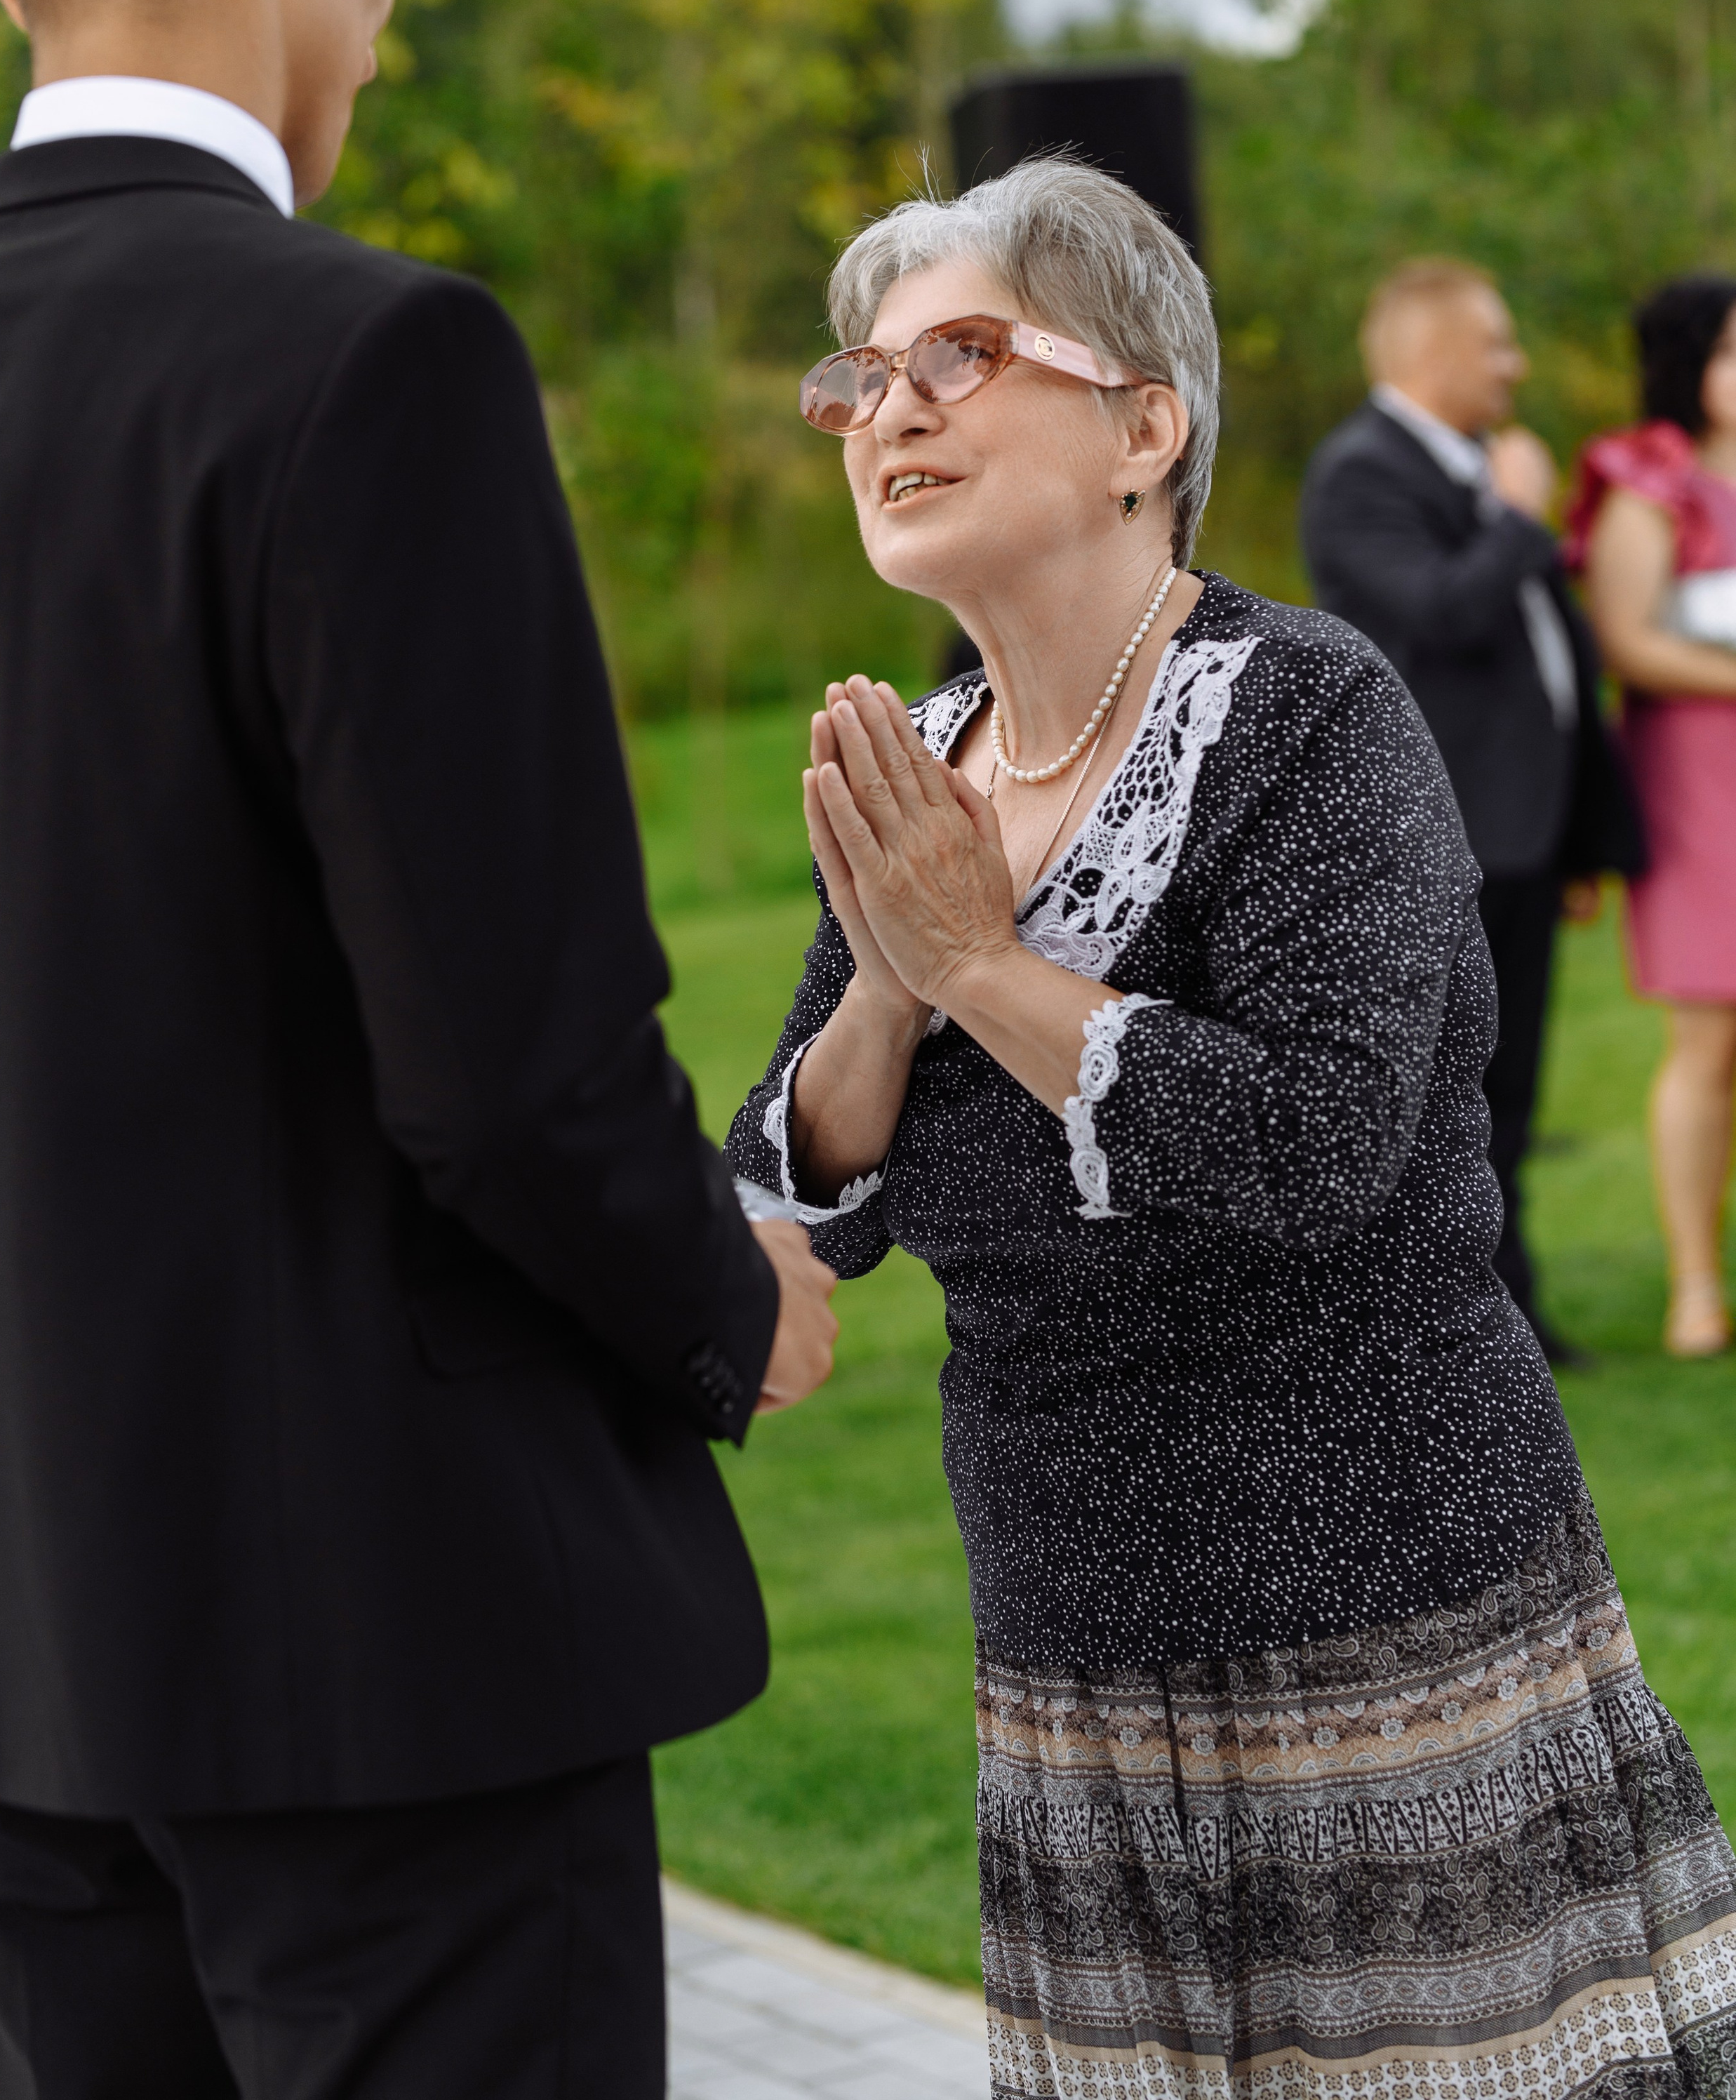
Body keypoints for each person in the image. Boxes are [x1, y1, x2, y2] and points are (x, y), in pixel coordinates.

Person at [0, 0, 839, 2099]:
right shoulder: (370, 361)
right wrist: (715, 1293)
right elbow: (509, 1060)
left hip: (13, 1663)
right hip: (391, 1650)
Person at [728, 159, 1736, 2099]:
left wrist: (980, 961)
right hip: (1073, 1650)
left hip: (1377, 1626)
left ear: (1144, 427)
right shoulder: (933, 756)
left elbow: (1321, 1141)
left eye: (961, 353)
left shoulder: (1309, 714)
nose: (893, 407)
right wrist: (890, 974)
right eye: (864, 376)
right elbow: (793, 1186)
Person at [1300, 260, 1643, 1367]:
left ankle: (1511, 1313)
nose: (1516, 364)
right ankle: (1465, 1327)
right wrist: (1516, 519)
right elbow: (1441, 617)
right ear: (1431, 352)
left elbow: (1547, 663)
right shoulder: (1358, 476)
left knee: (1516, 1084)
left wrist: (1583, 831)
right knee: (1452, 1095)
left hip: (1525, 835)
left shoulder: (1481, 470)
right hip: (1440, 842)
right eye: (1495, 344)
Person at [1571, 276, 1736, 1357]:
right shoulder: (1651, 482)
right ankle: (1693, 1287)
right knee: (1708, 1038)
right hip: (1701, 785)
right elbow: (1627, 639)